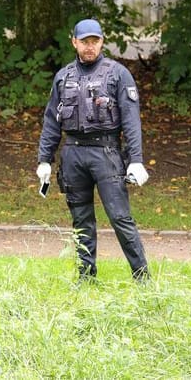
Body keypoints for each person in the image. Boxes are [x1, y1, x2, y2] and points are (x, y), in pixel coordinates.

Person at [36, 18, 150, 283]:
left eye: (95, 41)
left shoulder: (118, 74)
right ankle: (86, 277)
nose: (90, 47)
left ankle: (142, 278)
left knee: (121, 218)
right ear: (74, 42)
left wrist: (136, 160)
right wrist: (44, 159)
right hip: (73, 154)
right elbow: (52, 119)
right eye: (84, 41)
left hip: (106, 153)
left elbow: (131, 119)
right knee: (81, 219)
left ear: (102, 42)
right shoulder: (63, 76)